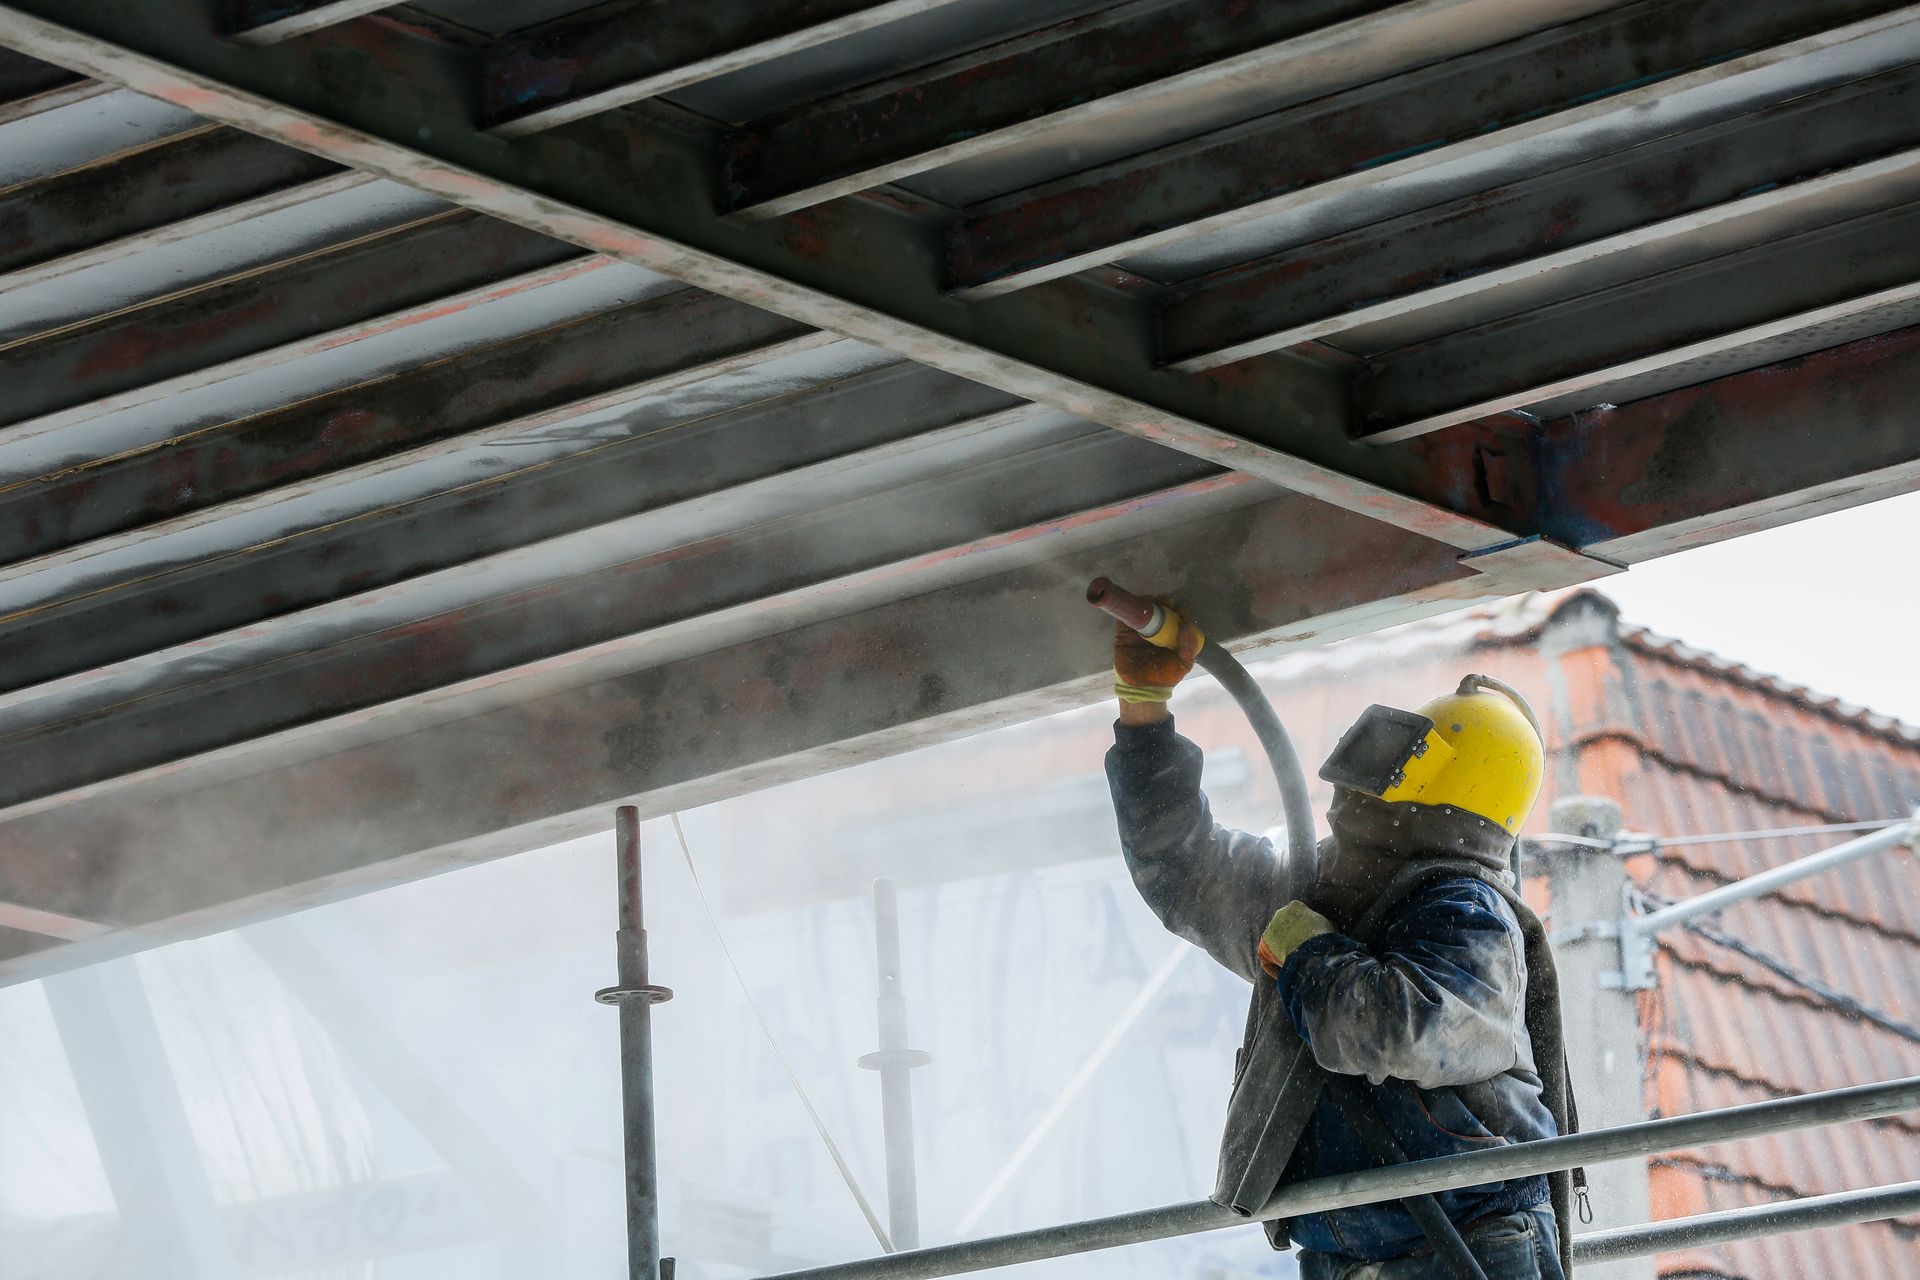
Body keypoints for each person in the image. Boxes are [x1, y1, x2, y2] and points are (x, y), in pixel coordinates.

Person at [1103, 603, 1573, 1280]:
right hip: (1344, 1254)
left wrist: (1308, 955)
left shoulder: (1469, 913)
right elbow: (1184, 870)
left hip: (1469, 1244)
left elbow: (1400, 1027)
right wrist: (1143, 712)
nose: (1363, 783)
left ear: (1445, 781)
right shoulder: (1316, 887)